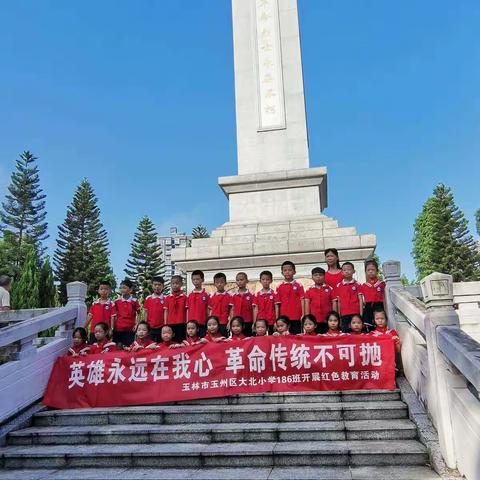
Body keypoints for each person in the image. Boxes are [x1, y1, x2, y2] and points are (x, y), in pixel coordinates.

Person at [275, 261, 305, 334]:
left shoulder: (299, 285)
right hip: (284, 318)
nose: (287, 272)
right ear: (282, 273)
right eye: (285, 270)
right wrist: (277, 318)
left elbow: (302, 300)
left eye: (290, 270)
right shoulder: (279, 286)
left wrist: (303, 314)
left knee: (296, 337)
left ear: (294, 272)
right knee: (284, 338)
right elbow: (277, 304)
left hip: (296, 316)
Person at [333, 262, 364, 333]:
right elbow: (338, 302)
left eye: (349, 269)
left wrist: (361, 314)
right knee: (345, 332)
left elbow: (360, 300)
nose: (347, 271)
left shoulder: (357, 284)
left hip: (355, 313)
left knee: (356, 332)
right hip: (344, 314)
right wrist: (338, 316)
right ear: (341, 272)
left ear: (353, 271)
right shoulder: (338, 286)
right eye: (344, 270)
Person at [304, 267, 334, 334]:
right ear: (312, 277)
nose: (318, 277)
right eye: (316, 275)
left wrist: (334, 316)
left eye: (320, 275)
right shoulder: (309, 290)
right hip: (314, 320)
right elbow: (307, 304)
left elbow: (334, 303)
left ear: (324, 276)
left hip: (327, 319)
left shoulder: (329, 289)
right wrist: (307, 318)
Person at [113, 279, 140, 346]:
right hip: (118, 329)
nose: (122, 290)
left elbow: (139, 313)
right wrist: (112, 327)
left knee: (129, 347)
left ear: (130, 290)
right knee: (117, 347)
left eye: (124, 288)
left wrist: (137, 325)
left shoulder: (134, 301)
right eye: (121, 288)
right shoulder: (117, 301)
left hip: (130, 329)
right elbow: (113, 315)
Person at [361, 260, 385, 331]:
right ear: (365, 272)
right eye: (368, 270)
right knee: (368, 324)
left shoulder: (381, 284)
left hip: (379, 306)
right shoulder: (363, 286)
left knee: (379, 323)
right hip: (368, 307)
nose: (371, 271)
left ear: (377, 271)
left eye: (373, 270)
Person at [164, 275, 188, 343]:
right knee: (171, 342)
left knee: (181, 341)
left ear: (181, 284)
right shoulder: (168, 298)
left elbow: (187, 311)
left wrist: (187, 323)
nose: (175, 285)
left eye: (177, 283)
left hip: (181, 323)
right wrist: (165, 324)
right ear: (171, 285)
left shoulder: (184, 297)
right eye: (173, 283)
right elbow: (166, 311)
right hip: (170, 323)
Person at [252, 270, 277, 335]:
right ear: (260, 281)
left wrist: (276, 321)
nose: (265, 281)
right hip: (260, 322)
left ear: (271, 281)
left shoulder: (274, 293)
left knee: (272, 339)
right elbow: (255, 309)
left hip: (271, 321)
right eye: (263, 279)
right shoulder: (257, 294)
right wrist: (254, 322)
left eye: (267, 279)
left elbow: (276, 308)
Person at [187, 270, 210, 337]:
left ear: (202, 280)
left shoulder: (206, 295)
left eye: (198, 279)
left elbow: (208, 310)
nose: (196, 281)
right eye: (194, 279)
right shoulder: (190, 295)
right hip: (191, 325)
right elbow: (187, 310)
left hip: (202, 324)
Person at [208, 272, 232, 337]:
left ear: (225, 283)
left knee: (224, 340)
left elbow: (231, 310)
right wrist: (209, 324)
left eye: (221, 282)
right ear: (214, 284)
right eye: (217, 282)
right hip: (214, 324)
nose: (219, 284)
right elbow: (209, 311)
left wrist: (230, 322)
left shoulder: (229, 296)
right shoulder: (212, 297)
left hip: (224, 323)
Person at [230, 272, 254, 337]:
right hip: (236, 323)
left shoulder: (251, 295)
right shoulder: (233, 295)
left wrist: (254, 322)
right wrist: (231, 321)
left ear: (247, 281)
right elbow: (232, 309)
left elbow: (254, 309)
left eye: (241, 280)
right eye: (237, 280)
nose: (239, 282)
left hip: (248, 322)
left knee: (248, 340)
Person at [143, 276, 166, 342]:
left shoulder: (165, 298)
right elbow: (146, 312)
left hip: (162, 327)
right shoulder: (148, 298)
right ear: (152, 286)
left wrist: (165, 324)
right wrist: (145, 324)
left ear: (163, 286)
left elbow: (166, 312)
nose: (157, 287)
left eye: (159, 285)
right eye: (155, 285)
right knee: (150, 344)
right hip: (150, 327)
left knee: (161, 345)